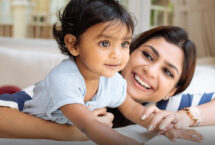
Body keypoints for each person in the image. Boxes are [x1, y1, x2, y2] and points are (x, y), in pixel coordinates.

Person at [0, 25, 215, 143]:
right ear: (128, 50)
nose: (149, 70)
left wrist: (186, 117)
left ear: (174, 89)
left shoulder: (161, 105)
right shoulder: (76, 85)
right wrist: (71, 133)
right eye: (147, 55)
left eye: (167, 71)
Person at [0, 0, 158, 145]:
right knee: (10, 93)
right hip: (19, 108)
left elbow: (133, 110)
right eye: (105, 43)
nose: (117, 54)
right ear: (73, 44)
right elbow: (88, 125)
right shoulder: (64, 78)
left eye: (124, 44)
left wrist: (165, 126)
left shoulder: (113, 80)